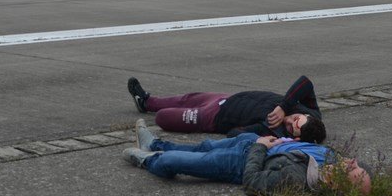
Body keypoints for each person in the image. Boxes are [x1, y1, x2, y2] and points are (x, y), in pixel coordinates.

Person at [123, 126, 371, 196]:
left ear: (336, 185)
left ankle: (150, 160)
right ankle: (154, 145)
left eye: (353, 170)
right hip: (256, 142)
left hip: (243, 160)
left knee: (177, 161)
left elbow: (252, 181)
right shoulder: (333, 160)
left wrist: (260, 147)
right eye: (357, 165)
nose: (353, 162)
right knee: (203, 146)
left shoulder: (297, 181)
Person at [126, 75, 326, 142]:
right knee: (187, 98)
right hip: (225, 99)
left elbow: (233, 134)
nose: (289, 121)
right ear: (306, 115)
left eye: (292, 127)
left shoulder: (274, 131)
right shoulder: (311, 113)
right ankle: (146, 102)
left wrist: (262, 135)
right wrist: (284, 107)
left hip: (214, 118)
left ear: (295, 137)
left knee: (163, 118)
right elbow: (305, 82)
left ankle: (151, 107)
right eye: (295, 118)